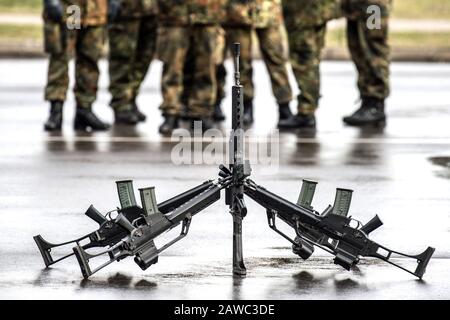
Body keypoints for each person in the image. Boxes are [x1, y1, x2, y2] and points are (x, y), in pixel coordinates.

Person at [216, 0, 294, 126]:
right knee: (241, 62)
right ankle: (246, 105)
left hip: (267, 11)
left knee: (275, 60)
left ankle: (284, 105)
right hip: (237, 13)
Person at [157, 0, 225, 134]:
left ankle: (200, 112)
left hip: (208, 14)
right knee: (172, 68)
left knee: (206, 69)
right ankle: (171, 113)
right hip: (175, 14)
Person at [43, 0, 110, 131]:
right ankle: (56, 110)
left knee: (90, 60)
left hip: (95, 9)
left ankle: (84, 110)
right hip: (72, 8)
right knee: (61, 58)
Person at [279, 0, 341, 129]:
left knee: (304, 59)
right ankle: (308, 107)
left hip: (303, 12)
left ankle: (306, 111)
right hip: (318, 9)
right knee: (310, 57)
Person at [342, 0, 391, 127]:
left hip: (373, 6)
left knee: (373, 47)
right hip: (356, 6)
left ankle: (375, 103)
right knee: (358, 49)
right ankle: (367, 99)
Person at [108, 0, 158, 125]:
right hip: (125, 9)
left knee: (144, 56)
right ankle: (121, 103)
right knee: (122, 57)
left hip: (152, 8)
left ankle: (131, 97)